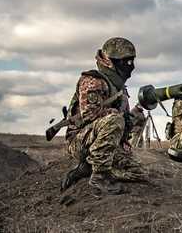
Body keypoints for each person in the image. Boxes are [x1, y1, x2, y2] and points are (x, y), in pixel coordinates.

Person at [61, 37, 145, 195]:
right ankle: (100, 176)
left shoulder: (119, 88)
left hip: (101, 140)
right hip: (80, 141)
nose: (130, 66)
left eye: (131, 61)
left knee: (138, 172)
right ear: (111, 61)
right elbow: (89, 115)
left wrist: (133, 115)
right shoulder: (92, 81)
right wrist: (118, 116)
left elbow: (120, 121)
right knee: (114, 119)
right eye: (126, 62)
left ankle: (87, 168)